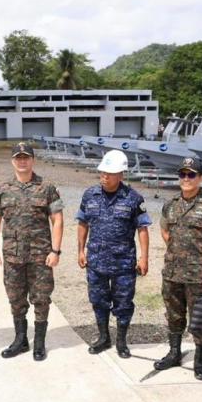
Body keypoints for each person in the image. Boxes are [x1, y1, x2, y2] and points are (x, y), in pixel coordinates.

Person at [0, 142, 63, 361]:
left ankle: (39, 344)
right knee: (15, 298)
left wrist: (56, 251)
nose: (22, 161)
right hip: (12, 255)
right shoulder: (3, 189)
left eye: (26, 157)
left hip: (41, 256)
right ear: (12, 160)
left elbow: (57, 220)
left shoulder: (47, 188)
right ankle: (21, 340)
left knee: (41, 299)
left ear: (32, 160)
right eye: (18, 157)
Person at [76, 150, 150, 358]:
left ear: (121, 174)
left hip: (123, 263)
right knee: (98, 300)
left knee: (124, 302)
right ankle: (103, 337)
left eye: (110, 173)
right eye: (103, 172)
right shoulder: (90, 195)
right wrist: (80, 250)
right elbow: (82, 223)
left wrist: (144, 257)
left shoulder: (134, 198)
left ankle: (121, 341)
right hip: (96, 261)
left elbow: (142, 228)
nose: (105, 176)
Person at [154, 157, 202, 381]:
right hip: (172, 271)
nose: (186, 179)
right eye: (182, 174)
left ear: (201, 178)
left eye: (191, 174)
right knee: (173, 315)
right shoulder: (170, 204)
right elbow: (165, 230)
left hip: (198, 274)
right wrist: (176, 251)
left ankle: (199, 360)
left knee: (199, 319)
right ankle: (174, 353)